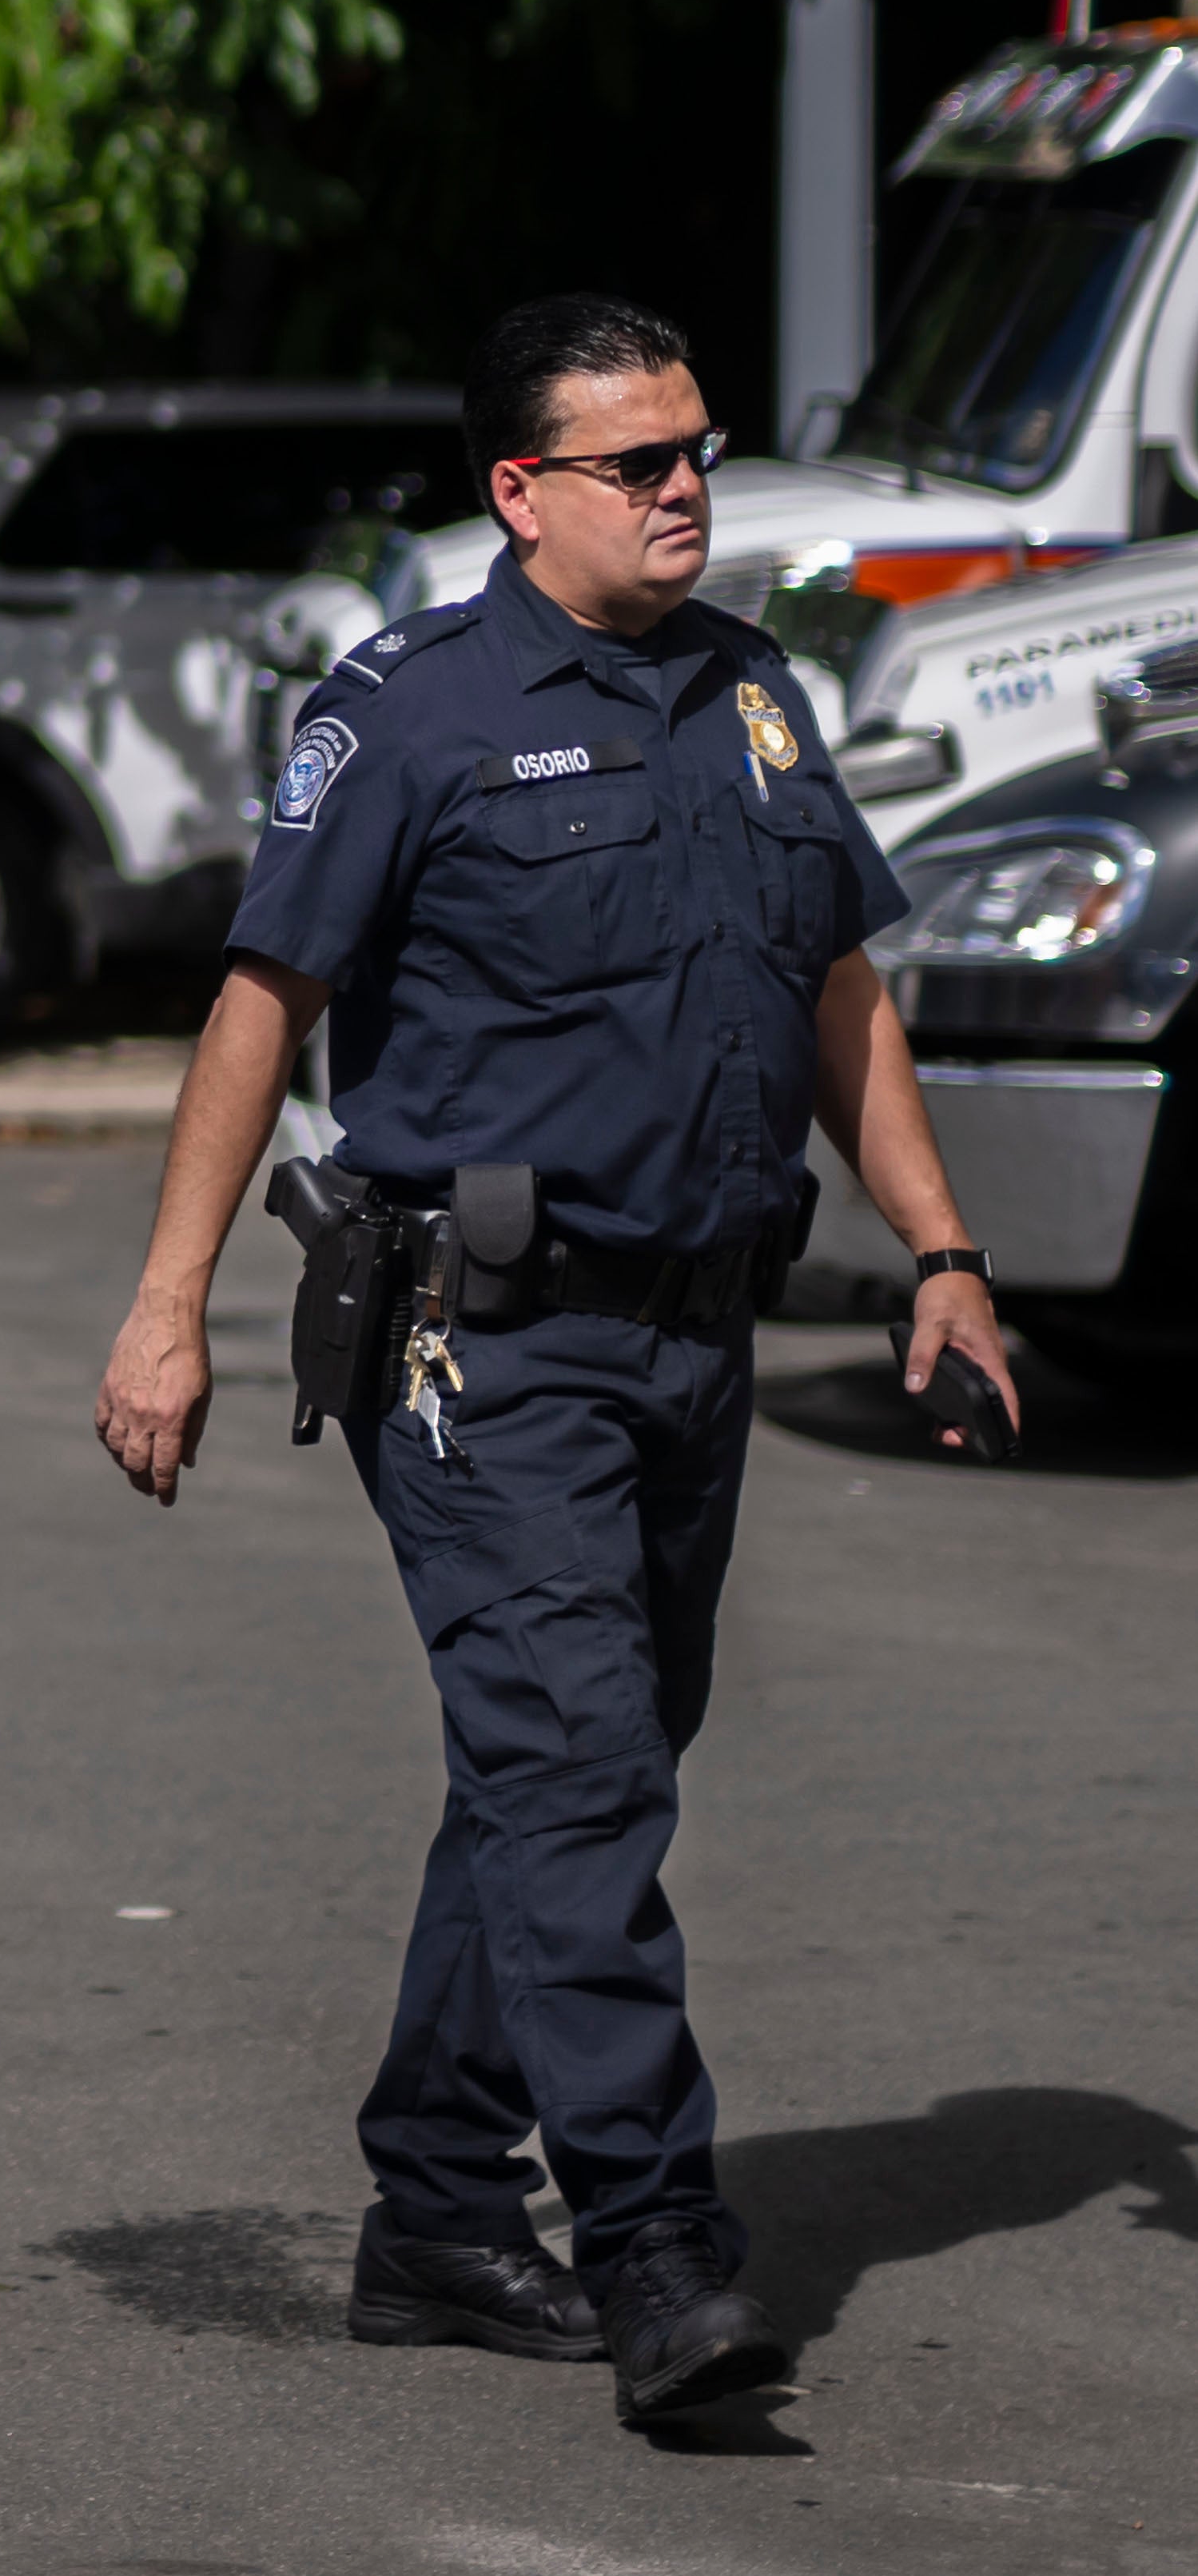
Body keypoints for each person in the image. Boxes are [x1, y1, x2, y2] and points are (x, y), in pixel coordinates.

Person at [90, 293, 1012, 2430]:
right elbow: (261, 1000)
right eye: (636, 461)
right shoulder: (407, 713)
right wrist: (166, 1304)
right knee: (576, 1767)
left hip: (696, 1333)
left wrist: (943, 1254)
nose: (685, 487)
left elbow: (837, 999)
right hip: (476, 1346)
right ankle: (656, 2247)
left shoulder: (753, 701)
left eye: (695, 449)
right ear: (520, 493)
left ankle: (430, 2206)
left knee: (569, 1770)